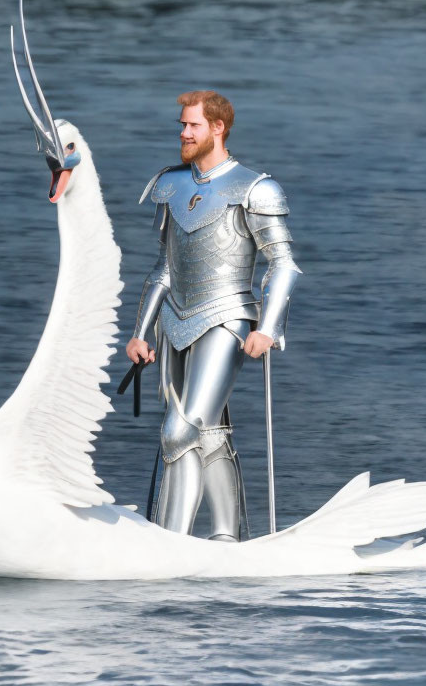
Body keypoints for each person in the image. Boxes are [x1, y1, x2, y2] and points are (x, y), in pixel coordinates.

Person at [126, 90, 301, 541]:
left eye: (193, 126)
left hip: (226, 320)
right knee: (209, 433)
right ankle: (226, 537)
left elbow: (282, 264)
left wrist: (268, 329)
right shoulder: (172, 184)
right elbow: (164, 268)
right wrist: (140, 332)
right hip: (174, 324)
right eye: (182, 125)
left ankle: (169, 542)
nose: (183, 133)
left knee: (180, 431)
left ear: (217, 129)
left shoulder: (255, 188)